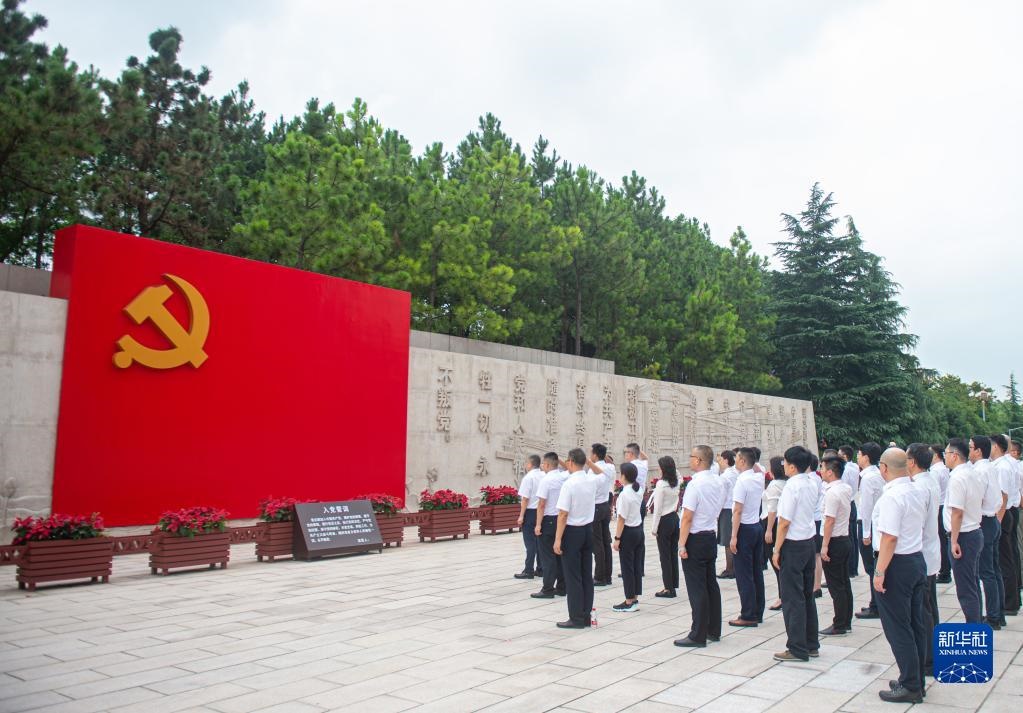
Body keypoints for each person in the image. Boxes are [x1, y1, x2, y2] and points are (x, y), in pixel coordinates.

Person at [873, 448, 928, 704]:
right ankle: (915, 679)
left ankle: (911, 685)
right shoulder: (916, 490)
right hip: (915, 559)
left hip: (896, 564)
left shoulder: (893, 496)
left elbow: (889, 538)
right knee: (915, 624)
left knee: (898, 627)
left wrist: (879, 571)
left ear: (884, 468)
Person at [674, 445, 725, 648]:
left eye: (691, 456)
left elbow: (687, 517)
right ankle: (713, 629)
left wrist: (681, 544)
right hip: (710, 534)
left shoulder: (695, 484)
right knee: (710, 584)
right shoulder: (718, 481)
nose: (690, 459)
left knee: (697, 588)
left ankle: (698, 634)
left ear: (699, 460)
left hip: (695, 538)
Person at [772, 446, 820, 662]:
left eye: (785, 462)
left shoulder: (792, 486)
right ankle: (811, 644)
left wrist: (777, 549)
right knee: (807, 596)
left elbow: (784, 522)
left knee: (792, 598)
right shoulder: (812, 482)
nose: (783, 466)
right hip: (808, 542)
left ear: (792, 466)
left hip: (793, 544)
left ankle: (797, 647)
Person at [906, 442, 941, 669]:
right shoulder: (930, 481)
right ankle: (932, 652)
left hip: (922, 551)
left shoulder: (918, 487)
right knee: (930, 605)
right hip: (930, 550)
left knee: (923, 609)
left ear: (912, 462)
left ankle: (928, 658)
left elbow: (914, 524)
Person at [553, 448, 597, 628]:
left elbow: (563, 514)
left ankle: (576, 618)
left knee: (573, 576)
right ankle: (585, 616)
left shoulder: (569, 484)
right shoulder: (591, 480)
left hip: (572, 532)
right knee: (586, 574)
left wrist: (557, 539)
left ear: (570, 462)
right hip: (588, 530)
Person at [944, 438, 984, 623]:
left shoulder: (958, 478)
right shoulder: (972, 472)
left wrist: (954, 540)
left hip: (963, 537)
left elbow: (957, 512)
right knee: (972, 583)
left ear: (954, 455)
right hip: (974, 532)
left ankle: (973, 626)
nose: (944, 457)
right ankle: (976, 623)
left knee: (966, 589)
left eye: (946, 453)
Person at [970, 435, 1005, 628]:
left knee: (987, 572)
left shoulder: (979, 471)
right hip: (992, 520)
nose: (969, 451)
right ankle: (998, 613)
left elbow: (977, 499)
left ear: (978, 451)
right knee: (994, 570)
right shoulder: (990, 467)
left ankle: (993, 617)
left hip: (985, 521)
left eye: (971, 447)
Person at [729, 447, 766, 627]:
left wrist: (733, 536)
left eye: (737, 458)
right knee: (756, 571)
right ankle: (758, 611)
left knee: (744, 574)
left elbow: (737, 510)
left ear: (743, 461)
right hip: (756, 527)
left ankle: (748, 614)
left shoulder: (742, 481)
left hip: (744, 529)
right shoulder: (759, 477)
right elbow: (758, 469)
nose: (735, 460)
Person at [819, 455, 853, 635]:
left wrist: (824, 546)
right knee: (844, 583)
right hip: (844, 539)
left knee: (836, 586)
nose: (821, 471)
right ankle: (845, 621)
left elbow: (829, 520)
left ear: (831, 472)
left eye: (823, 468)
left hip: (834, 541)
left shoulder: (832, 493)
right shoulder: (845, 488)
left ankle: (839, 624)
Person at [531, 452, 568, 599]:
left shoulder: (546, 480)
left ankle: (547, 589)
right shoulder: (563, 477)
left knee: (548, 557)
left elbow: (541, 504)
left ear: (546, 464)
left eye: (543, 464)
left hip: (548, 520)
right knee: (559, 554)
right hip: (561, 520)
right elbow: (568, 469)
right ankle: (562, 587)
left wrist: (538, 524)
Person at [991, 434, 1020, 616]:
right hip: (1008, 512)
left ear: (996, 446)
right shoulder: (1006, 464)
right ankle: (1013, 598)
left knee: (1005, 560)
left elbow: (1003, 497)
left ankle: (1010, 602)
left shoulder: (1002, 467)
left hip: (1003, 514)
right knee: (1009, 557)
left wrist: (997, 522)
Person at [855, 442, 884, 619]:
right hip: (876, 523)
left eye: (859, 454)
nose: (857, 457)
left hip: (869, 524)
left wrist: (866, 533)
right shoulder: (878, 474)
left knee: (871, 567)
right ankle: (876, 603)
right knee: (874, 566)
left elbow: (866, 507)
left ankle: (877, 606)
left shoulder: (868, 478)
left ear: (866, 457)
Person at [612, 462, 644, 612]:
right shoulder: (638, 489)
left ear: (624, 476)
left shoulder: (625, 494)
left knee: (627, 568)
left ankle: (629, 600)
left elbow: (621, 519)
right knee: (636, 566)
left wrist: (617, 539)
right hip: (638, 531)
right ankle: (634, 598)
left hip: (628, 533)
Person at [651, 455, 681, 598]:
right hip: (674, 519)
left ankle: (668, 588)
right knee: (673, 553)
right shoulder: (676, 482)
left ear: (663, 469)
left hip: (664, 521)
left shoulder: (661, 484)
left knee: (665, 556)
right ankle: (673, 584)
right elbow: (679, 474)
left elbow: (657, 509)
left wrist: (654, 528)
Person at [587, 443, 616, 587]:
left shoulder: (592, 473)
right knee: (605, 542)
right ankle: (607, 576)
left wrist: (588, 463)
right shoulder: (610, 468)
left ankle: (599, 577)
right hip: (605, 506)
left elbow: (589, 488)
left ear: (594, 455)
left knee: (597, 543)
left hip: (596, 507)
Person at [763, 456, 787, 611]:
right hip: (782, 522)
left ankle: (782, 596)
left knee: (776, 561)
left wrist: (768, 530)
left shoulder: (774, 485)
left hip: (772, 524)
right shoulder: (787, 483)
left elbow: (772, 509)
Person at [515, 455, 544, 579]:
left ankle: (528, 570)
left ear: (530, 464)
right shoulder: (544, 475)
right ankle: (541, 569)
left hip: (531, 512)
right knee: (540, 542)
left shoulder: (528, 477)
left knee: (530, 543)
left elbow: (525, 499)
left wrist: (521, 515)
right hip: (542, 512)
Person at [930, 445, 952, 583]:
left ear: (935, 455)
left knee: (940, 541)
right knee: (943, 541)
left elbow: (934, 492)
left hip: (938, 507)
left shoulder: (935, 472)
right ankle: (945, 570)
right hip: (943, 505)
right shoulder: (944, 468)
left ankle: (944, 572)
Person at [839, 445, 861, 578]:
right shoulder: (855, 467)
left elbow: (843, 487)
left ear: (844, 456)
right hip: (852, 503)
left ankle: (849, 569)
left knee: (848, 538)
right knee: (853, 537)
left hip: (846, 503)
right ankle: (853, 568)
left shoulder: (845, 470)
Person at [717, 450, 739, 579]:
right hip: (735, 507)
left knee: (727, 540)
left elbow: (721, 497)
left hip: (726, 509)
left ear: (726, 460)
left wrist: (716, 513)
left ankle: (730, 569)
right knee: (733, 538)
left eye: (720, 459)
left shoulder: (725, 476)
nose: (719, 462)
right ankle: (735, 567)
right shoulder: (736, 473)